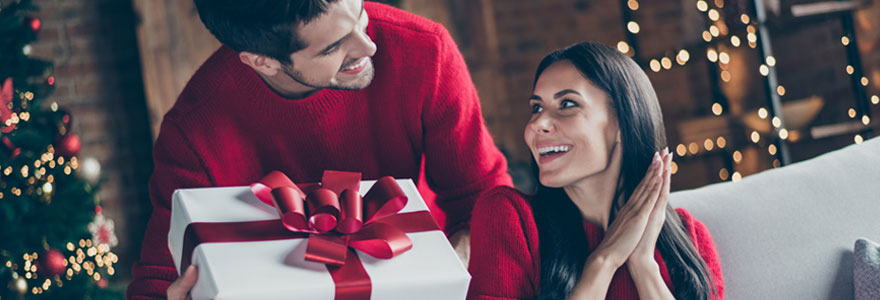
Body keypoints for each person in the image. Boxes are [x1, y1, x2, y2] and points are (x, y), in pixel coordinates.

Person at [126, 0, 512, 299]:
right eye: (334, 47)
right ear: (263, 61)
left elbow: (487, 201)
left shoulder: (426, 52)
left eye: (359, 11)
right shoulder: (194, 131)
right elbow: (161, 276)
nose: (370, 45)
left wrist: (450, 273)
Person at [467, 42, 724, 300]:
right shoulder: (508, 218)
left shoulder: (690, 239)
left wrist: (644, 264)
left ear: (624, 121)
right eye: (536, 107)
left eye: (567, 104)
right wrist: (604, 261)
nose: (538, 124)